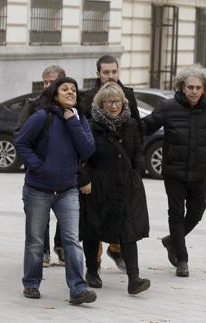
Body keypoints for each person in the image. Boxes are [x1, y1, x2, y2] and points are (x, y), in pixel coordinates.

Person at [15, 77, 97, 305]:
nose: (70, 92)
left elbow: (88, 149)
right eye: (65, 89)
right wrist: (39, 167)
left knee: (71, 240)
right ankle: (31, 283)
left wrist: (73, 122)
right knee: (35, 240)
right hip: (38, 190)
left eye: (73, 89)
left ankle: (78, 290)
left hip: (68, 190)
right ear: (55, 94)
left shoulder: (79, 119)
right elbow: (21, 141)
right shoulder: (43, 116)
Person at [143, 64, 206, 277]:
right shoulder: (168, 107)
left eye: (198, 87)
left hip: (199, 172)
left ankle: (172, 240)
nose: (194, 91)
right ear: (181, 87)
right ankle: (182, 259)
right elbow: (148, 125)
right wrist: (126, 120)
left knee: (197, 212)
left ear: (204, 88)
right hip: (174, 172)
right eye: (190, 87)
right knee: (176, 214)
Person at [78, 82, 151, 294]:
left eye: (117, 101)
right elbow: (80, 158)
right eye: (109, 101)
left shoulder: (130, 125)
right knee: (93, 229)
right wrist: (85, 180)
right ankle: (92, 271)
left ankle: (134, 278)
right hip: (98, 185)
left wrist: (136, 173)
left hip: (126, 185)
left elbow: (138, 152)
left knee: (128, 230)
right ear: (101, 104)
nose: (113, 105)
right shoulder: (90, 127)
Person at [79, 55, 142, 272]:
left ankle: (116, 250)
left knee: (123, 215)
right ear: (98, 73)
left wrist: (136, 168)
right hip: (98, 167)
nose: (111, 76)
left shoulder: (128, 95)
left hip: (122, 169)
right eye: (106, 72)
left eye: (114, 72)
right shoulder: (86, 97)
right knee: (94, 220)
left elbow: (136, 129)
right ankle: (93, 266)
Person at [15, 65, 66, 267]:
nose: (46, 86)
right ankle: (42, 250)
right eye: (44, 81)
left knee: (66, 213)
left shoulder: (71, 105)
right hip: (39, 171)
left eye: (51, 82)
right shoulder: (34, 105)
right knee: (39, 213)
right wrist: (35, 163)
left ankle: (61, 247)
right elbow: (19, 135)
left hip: (65, 172)